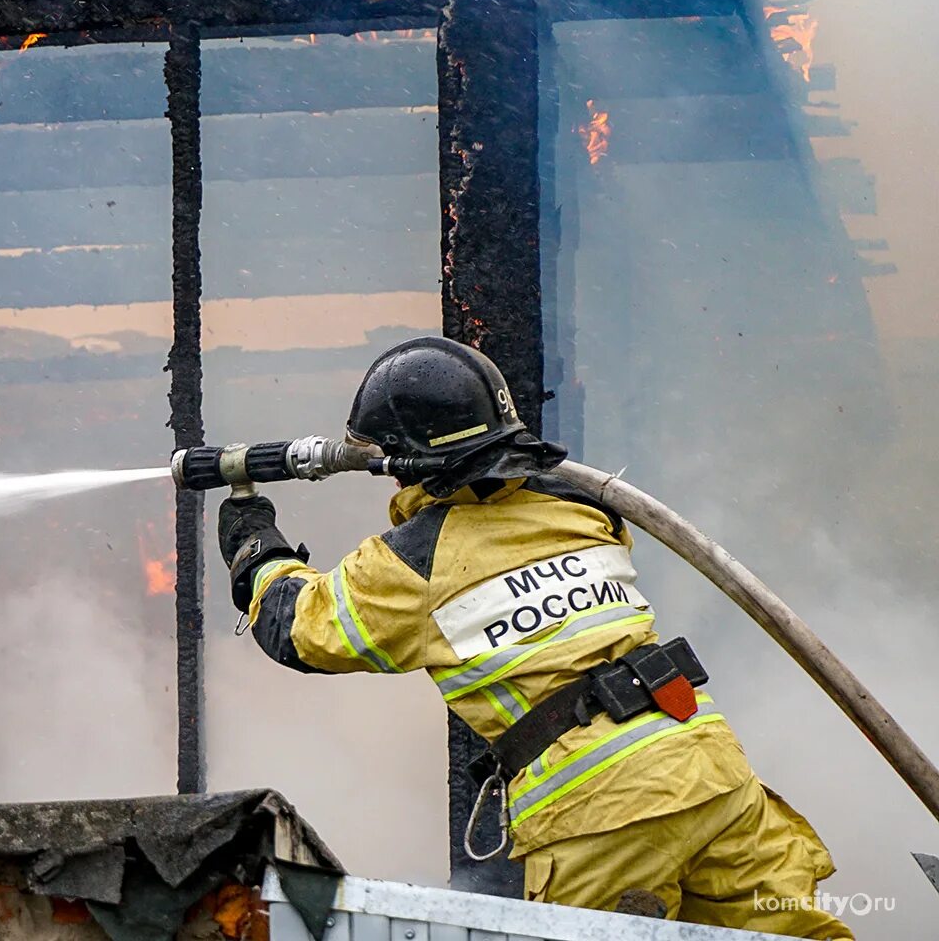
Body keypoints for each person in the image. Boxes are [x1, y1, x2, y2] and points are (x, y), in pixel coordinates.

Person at [220, 335, 850, 939]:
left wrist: (254, 540)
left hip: (602, 813)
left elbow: (298, 629)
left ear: (405, 462)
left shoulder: (412, 564)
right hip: (712, 773)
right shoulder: (581, 506)